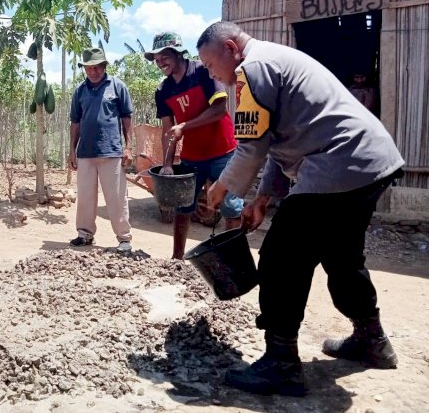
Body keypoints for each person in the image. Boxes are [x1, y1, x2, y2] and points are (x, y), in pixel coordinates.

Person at [198, 21, 404, 396]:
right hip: (373, 162)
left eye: (211, 66)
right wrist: (262, 198)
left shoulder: (253, 70)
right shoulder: (276, 60)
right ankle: (372, 340)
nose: (214, 76)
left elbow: (250, 147)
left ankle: (281, 364)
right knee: (342, 255)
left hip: (337, 164)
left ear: (230, 47)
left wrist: (222, 187)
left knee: (280, 258)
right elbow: (281, 143)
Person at [144, 31, 243, 260]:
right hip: (193, 155)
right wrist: (167, 163)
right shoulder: (163, 90)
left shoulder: (202, 72)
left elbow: (219, 110)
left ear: (178, 53)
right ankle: (177, 259)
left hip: (223, 151)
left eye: (164, 57)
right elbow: (168, 130)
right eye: (157, 60)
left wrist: (185, 127)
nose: (160, 63)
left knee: (231, 206)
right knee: (183, 205)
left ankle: (231, 259)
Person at [69, 47, 134, 253]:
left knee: (116, 197)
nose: (93, 72)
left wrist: (128, 147)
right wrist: (72, 150)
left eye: (97, 67)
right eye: (89, 68)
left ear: (104, 66)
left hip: (112, 151)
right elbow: (75, 123)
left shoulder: (117, 86)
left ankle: (124, 238)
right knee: (86, 197)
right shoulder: (80, 91)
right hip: (85, 153)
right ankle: (85, 234)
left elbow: (126, 118)